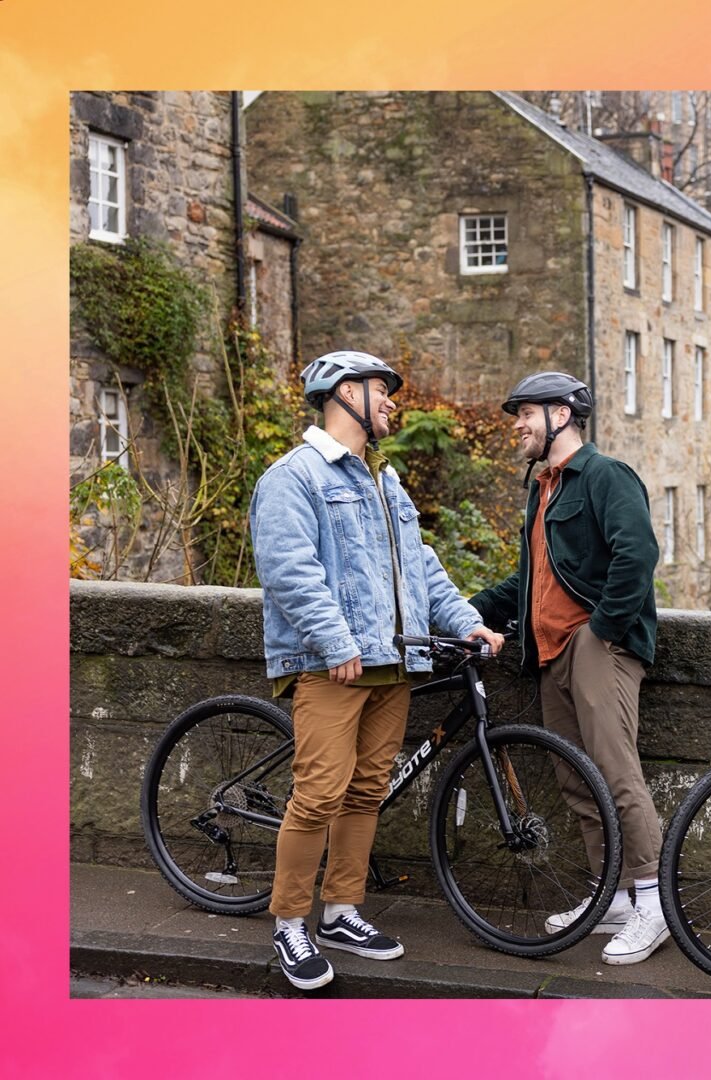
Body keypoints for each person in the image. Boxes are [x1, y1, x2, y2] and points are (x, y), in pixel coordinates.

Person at [251, 350, 503, 990]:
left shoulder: (383, 480)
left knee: (365, 793)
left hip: (393, 661)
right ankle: (289, 925)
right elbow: (289, 570)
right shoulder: (294, 476)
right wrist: (335, 641)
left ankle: (340, 911)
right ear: (343, 394)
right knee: (318, 795)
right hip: (332, 664)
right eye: (380, 389)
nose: (392, 399)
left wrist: (462, 619)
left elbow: (419, 565)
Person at [469, 371, 666, 965]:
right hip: (549, 652)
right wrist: (464, 610)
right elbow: (528, 580)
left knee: (615, 767)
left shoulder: (606, 476)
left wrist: (600, 633)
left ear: (562, 413)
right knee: (577, 780)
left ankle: (653, 904)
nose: (518, 426)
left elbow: (638, 555)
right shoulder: (544, 490)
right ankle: (612, 899)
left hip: (595, 645)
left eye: (525, 413)